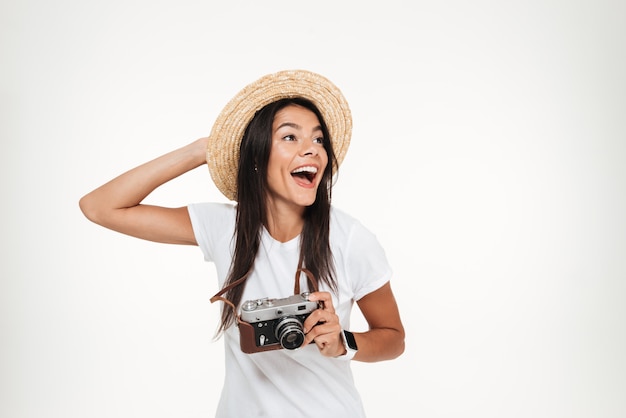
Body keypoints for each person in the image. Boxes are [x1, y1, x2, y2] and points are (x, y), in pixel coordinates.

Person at [79, 69, 405, 417]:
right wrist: (202, 150)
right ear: (256, 154)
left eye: (319, 140)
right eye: (290, 137)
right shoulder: (225, 227)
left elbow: (394, 338)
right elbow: (100, 207)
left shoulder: (350, 238)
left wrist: (344, 342)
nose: (311, 150)